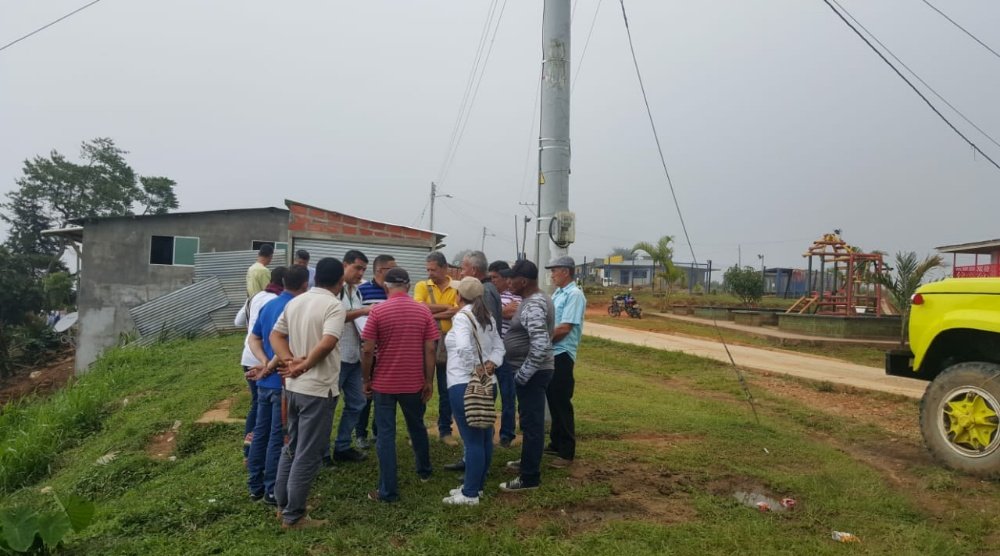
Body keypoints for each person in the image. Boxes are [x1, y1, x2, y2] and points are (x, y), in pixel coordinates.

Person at [269, 258, 346, 530]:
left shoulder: (296, 301)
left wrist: (289, 360)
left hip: (293, 389)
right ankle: (294, 516)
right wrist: (302, 365)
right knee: (307, 453)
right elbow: (328, 341)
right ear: (340, 281)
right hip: (317, 389)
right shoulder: (334, 305)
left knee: (292, 447)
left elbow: (275, 336)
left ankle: (284, 506)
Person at [361, 268, 439, 503]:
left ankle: (388, 490)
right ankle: (424, 470)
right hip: (413, 382)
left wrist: (366, 379)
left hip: (384, 384)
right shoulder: (423, 311)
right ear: (408, 285)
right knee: (417, 427)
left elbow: (367, 349)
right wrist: (428, 380)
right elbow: (431, 348)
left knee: (385, 435)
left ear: (386, 286)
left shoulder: (378, 311)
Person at [245, 265, 309, 506]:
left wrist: (262, 363)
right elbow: (284, 348)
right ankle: (272, 489)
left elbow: (254, 337)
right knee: (276, 436)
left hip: (264, 382)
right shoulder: (295, 308)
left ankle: (255, 485)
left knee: (259, 432)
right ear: (304, 285)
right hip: (281, 382)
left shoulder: (269, 304)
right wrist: (269, 366)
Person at [442, 277, 504, 505]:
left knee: (473, 440)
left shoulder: (461, 317)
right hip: (489, 383)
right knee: (485, 436)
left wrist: (475, 369)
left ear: (459, 296)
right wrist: (491, 364)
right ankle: (475, 487)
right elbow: (500, 347)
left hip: (464, 383)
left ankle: (470, 494)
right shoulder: (487, 317)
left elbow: (463, 348)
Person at [499, 260, 554, 493]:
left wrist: (522, 375)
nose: (508, 282)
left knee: (532, 425)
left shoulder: (533, 305)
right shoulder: (532, 300)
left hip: (533, 372)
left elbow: (541, 344)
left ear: (523, 281)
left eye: (512, 278)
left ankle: (529, 478)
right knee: (529, 421)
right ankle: (526, 462)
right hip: (533, 371)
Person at [235, 266, 285, 460]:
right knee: (264, 411)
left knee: (256, 403)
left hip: (248, 355)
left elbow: (238, 321)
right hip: (265, 360)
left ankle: (250, 450)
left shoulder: (255, 297)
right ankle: (253, 451)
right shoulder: (278, 302)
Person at [413, 251, 459, 445]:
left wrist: (431, 313)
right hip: (426, 342)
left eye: (433, 269)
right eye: (428, 269)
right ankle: (418, 430)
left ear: (444, 268)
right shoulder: (422, 285)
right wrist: (445, 309)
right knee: (421, 385)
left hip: (449, 342)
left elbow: (459, 309)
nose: (429, 273)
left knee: (445, 388)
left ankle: (445, 430)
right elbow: (419, 307)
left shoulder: (457, 286)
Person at [328, 249, 370, 463]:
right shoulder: (335, 290)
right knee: (327, 407)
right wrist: (363, 312)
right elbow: (335, 317)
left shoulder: (357, 291)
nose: (360, 273)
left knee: (357, 402)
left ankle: (342, 446)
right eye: (357, 268)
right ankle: (323, 452)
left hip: (354, 356)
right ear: (345, 265)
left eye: (363, 269)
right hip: (336, 357)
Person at [544, 256, 586, 468]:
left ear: (566, 272)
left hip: (562, 354)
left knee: (561, 402)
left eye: (555, 271)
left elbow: (565, 327)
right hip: (552, 352)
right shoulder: (558, 293)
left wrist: (540, 339)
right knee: (552, 398)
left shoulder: (574, 294)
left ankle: (567, 452)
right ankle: (556, 442)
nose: (552, 274)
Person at [355, 254, 397, 448]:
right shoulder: (362, 291)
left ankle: (378, 431)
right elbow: (360, 322)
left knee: (385, 396)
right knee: (366, 394)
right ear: (381, 270)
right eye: (392, 268)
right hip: (369, 353)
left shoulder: (395, 292)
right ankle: (360, 433)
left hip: (390, 355)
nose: (396, 272)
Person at [488, 260, 521, 448]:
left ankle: (507, 434)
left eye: (495, 278)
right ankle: (488, 431)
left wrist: (499, 312)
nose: (492, 281)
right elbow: (490, 315)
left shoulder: (516, 297)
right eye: (490, 277)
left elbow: (514, 314)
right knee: (488, 394)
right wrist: (502, 312)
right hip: (490, 352)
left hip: (508, 354)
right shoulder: (490, 295)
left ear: (505, 278)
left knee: (508, 395)